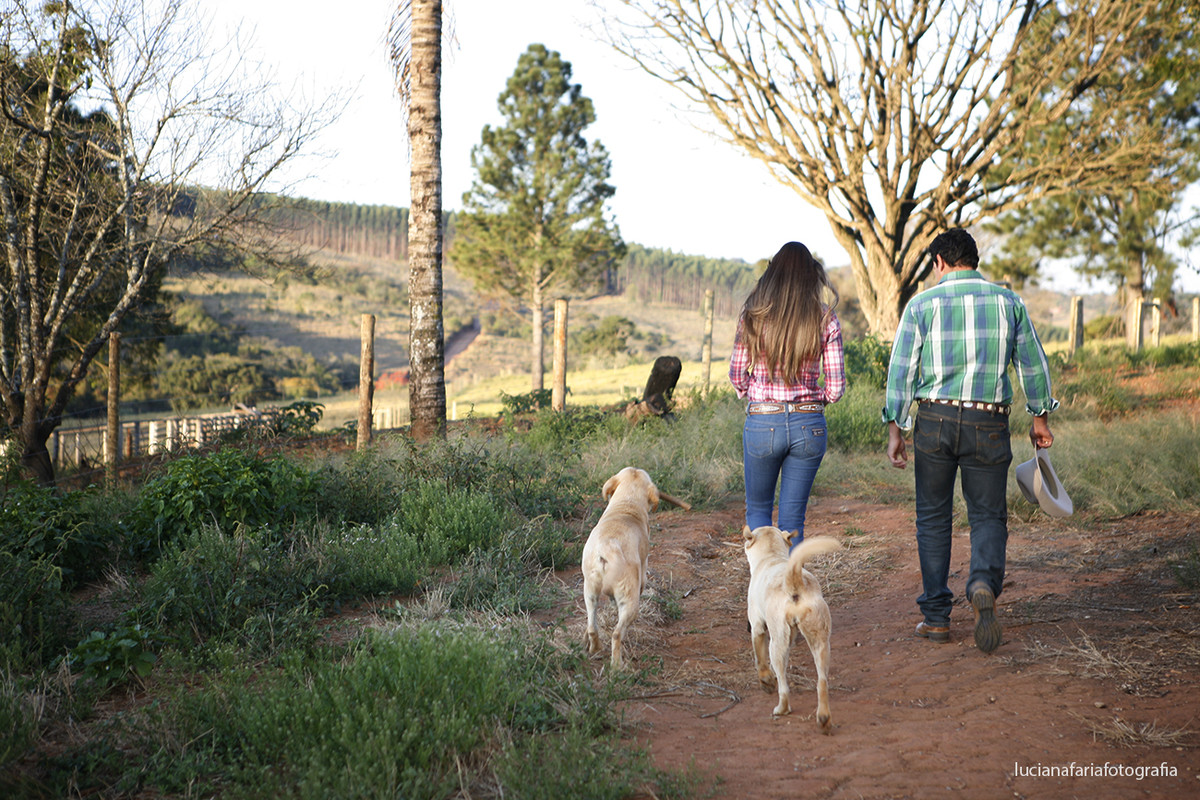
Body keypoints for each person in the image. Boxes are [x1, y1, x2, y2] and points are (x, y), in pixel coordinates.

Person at [882, 227, 1058, 654]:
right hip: (988, 422)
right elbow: (1032, 364)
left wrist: (895, 428)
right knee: (987, 516)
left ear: (939, 263)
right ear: (974, 261)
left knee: (934, 518)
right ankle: (981, 582)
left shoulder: (921, 305)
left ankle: (937, 619)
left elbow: (902, 369)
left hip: (935, 420)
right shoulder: (1009, 302)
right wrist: (1040, 418)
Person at [729, 241, 846, 551]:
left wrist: (752, 393)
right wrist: (811, 401)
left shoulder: (753, 315)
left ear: (773, 275)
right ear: (812, 276)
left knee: (758, 513)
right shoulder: (825, 319)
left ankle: (765, 594)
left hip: (762, 421)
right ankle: (794, 593)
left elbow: (736, 374)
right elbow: (835, 389)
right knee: (793, 522)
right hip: (809, 424)